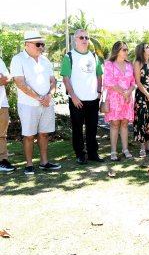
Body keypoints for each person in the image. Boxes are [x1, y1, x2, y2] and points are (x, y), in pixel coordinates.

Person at [10, 30, 61, 175]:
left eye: (42, 44)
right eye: (38, 44)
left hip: (47, 103)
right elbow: (20, 83)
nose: (41, 47)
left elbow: (53, 80)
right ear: (27, 44)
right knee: (29, 135)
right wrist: (40, 98)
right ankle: (29, 164)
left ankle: (44, 163)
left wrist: (49, 95)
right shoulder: (18, 59)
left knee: (44, 134)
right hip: (28, 104)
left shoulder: (46, 60)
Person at [61, 29, 104, 164]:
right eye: (81, 38)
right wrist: (73, 96)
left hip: (93, 99)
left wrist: (98, 92)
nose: (84, 40)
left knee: (92, 128)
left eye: (86, 37)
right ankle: (80, 154)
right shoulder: (69, 57)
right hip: (77, 100)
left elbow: (99, 75)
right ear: (75, 40)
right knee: (77, 128)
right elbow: (66, 78)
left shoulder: (94, 56)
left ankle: (92, 153)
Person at [103, 41, 135, 160]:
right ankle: (113, 151)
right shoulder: (109, 64)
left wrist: (129, 92)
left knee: (125, 124)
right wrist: (124, 93)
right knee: (115, 124)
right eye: (124, 50)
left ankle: (125, 150)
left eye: (127, 50)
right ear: (117, 51)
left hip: (127, 99)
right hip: (115, 98)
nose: (127, 52)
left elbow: (133, 82)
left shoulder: (129, 65)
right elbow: (108, 82)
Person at [133, 43, 149, 157]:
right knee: (142, 120)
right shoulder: (138, 63)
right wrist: (147, 94)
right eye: (147, 47)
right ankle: (142, 147)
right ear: (142, 51)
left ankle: (148, 146)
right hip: (142, 96)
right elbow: (138, 82)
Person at [0, 57, 16, 172]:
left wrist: (4, 78)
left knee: (2, 135)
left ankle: (2, 160)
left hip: (2, 103)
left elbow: (8, 78)